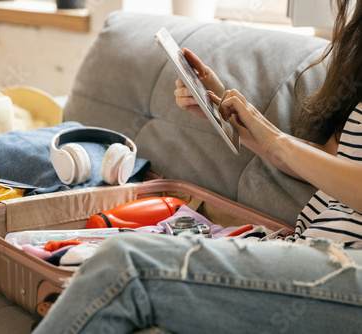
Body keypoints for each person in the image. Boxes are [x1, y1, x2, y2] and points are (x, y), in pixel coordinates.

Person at [33, 1, 362, 333]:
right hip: (313, 247)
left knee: (126, 262)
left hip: (347, 267)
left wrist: (277, 141)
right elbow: (327, 164)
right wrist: (233, 115)